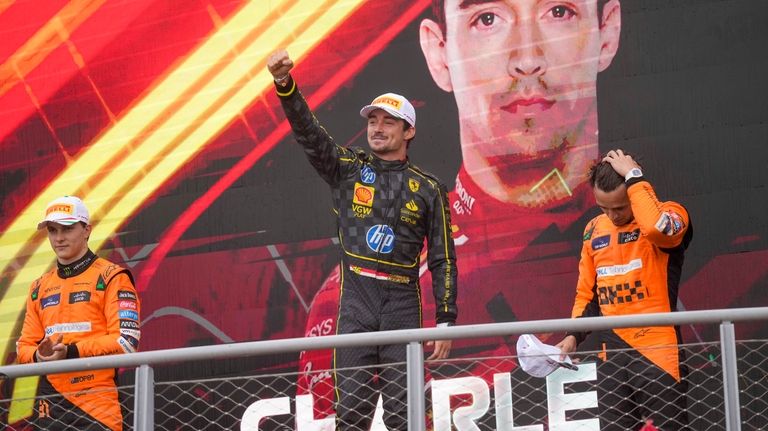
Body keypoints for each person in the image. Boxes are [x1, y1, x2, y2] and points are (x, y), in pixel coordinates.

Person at [297, 0, 623, 421]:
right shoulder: (352, 291)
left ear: (607, 32)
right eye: (487, 19)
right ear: (439, 54)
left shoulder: (649, 235)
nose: (526, 60)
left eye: (558, 12)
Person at [268, 49, 458, 429]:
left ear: (409, 131)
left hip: (403, 305)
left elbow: (443, 259)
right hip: (356, 302)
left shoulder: (428, 189)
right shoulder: (349, 170)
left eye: (389, 121)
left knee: (407, 415)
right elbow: (311, 136)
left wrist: (446, 319)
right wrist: (285, 86)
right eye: (373, 119)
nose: (378, 127)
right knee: (352, 409)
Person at [556, 150, 692, 430]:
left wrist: (634, 177)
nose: (612, 215)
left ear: (633, 191)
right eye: (603, 207)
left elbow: (656, 230)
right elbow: (588, 294)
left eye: (619, 207)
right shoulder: (593, 229)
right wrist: (572, 336)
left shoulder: (670, 214)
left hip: (659, 351)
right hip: (613, 356)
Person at [16, 196, 140, 431]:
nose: (59, 238)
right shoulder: (38, 287)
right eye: (52, 230)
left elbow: (127, 341)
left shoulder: (113, 276)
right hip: (50, 400)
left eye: (67, 229)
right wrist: (40, 357)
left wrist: (71, 352)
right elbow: (23, 347)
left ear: (86, 230)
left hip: (97, 400)